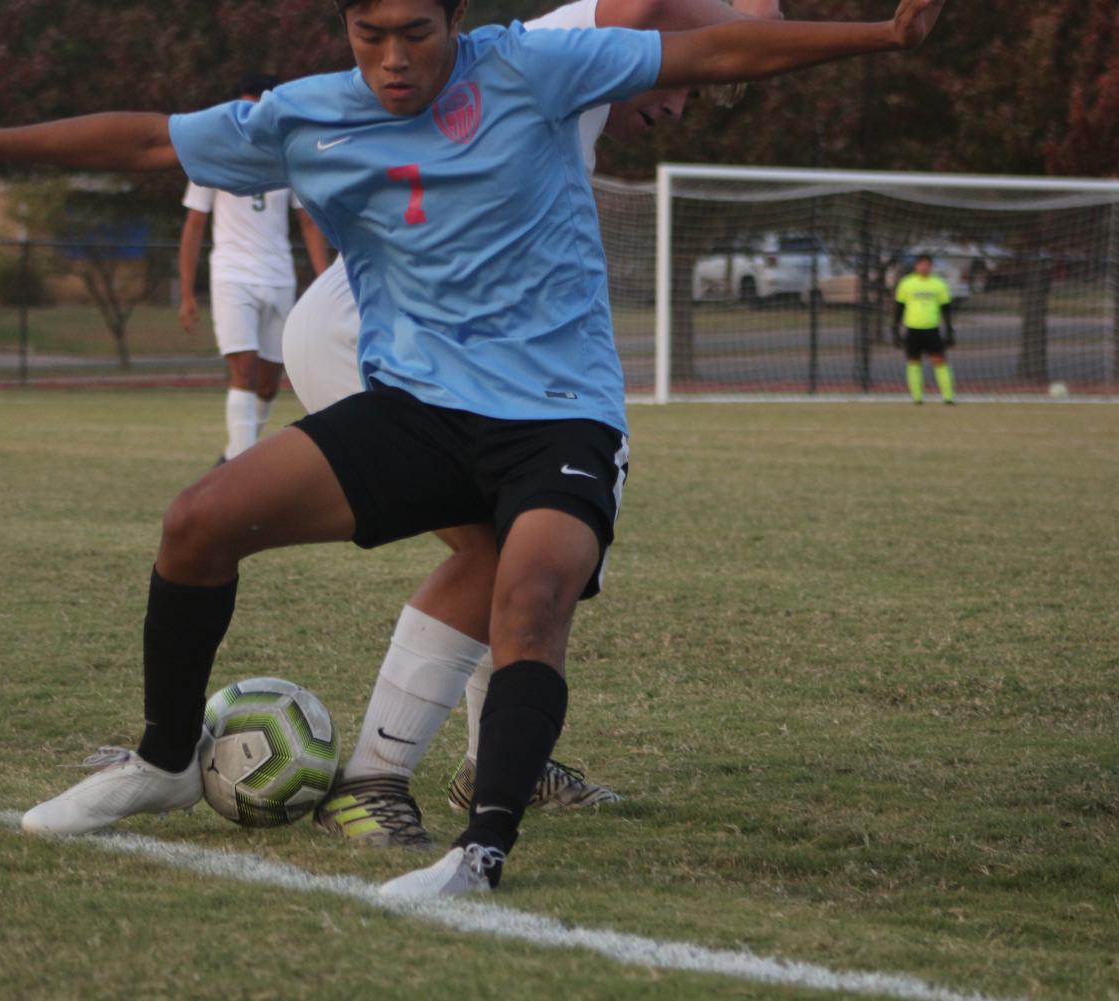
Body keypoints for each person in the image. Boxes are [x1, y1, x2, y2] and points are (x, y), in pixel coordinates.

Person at [0, 0, 946, 897]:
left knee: (527, 595)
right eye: (370, 32)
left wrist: (881, 36)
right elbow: (149, 136)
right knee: (197, 522)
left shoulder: (534, 65)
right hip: (419, 408)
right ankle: (159, 760)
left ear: (456, 25)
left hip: (560, 416)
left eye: (417, 32)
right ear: (346, 30)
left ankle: (478, 850)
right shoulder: (306, 114)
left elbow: (712, 49)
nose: (393, 57)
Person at [295, 0, 785, 852]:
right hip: (374, 336)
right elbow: (661, 13)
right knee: (494, 556)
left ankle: (495, 761)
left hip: (434, 346)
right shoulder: (568, 42)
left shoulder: (568, 84)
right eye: (684, 85)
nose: (676, 104)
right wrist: (746, 15)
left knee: (529, 552)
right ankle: (369, 779)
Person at [178, 73, 330, 462]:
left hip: (278, 276)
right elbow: (194, 225)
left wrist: (324, 277)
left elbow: (308, 221)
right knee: (242, 371)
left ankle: (231, 456)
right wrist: (186, 291)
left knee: (268, 383)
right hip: (232, 275)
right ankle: (239, 469)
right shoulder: (214, 156)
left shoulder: (288, 154)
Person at [891, 253, 957, 404]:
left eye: (927, 264)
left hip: (932, 329)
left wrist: (949, 330)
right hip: (913, 329)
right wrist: (894, 329)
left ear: (931, 266)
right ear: (916, 265)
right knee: (913, 362)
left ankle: (948, 397)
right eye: (921, 264)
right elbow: (899, 307)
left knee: (939, 361)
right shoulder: (906, 283)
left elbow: (946, 309)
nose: (924, 267)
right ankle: (917, 398)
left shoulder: (938, 284)